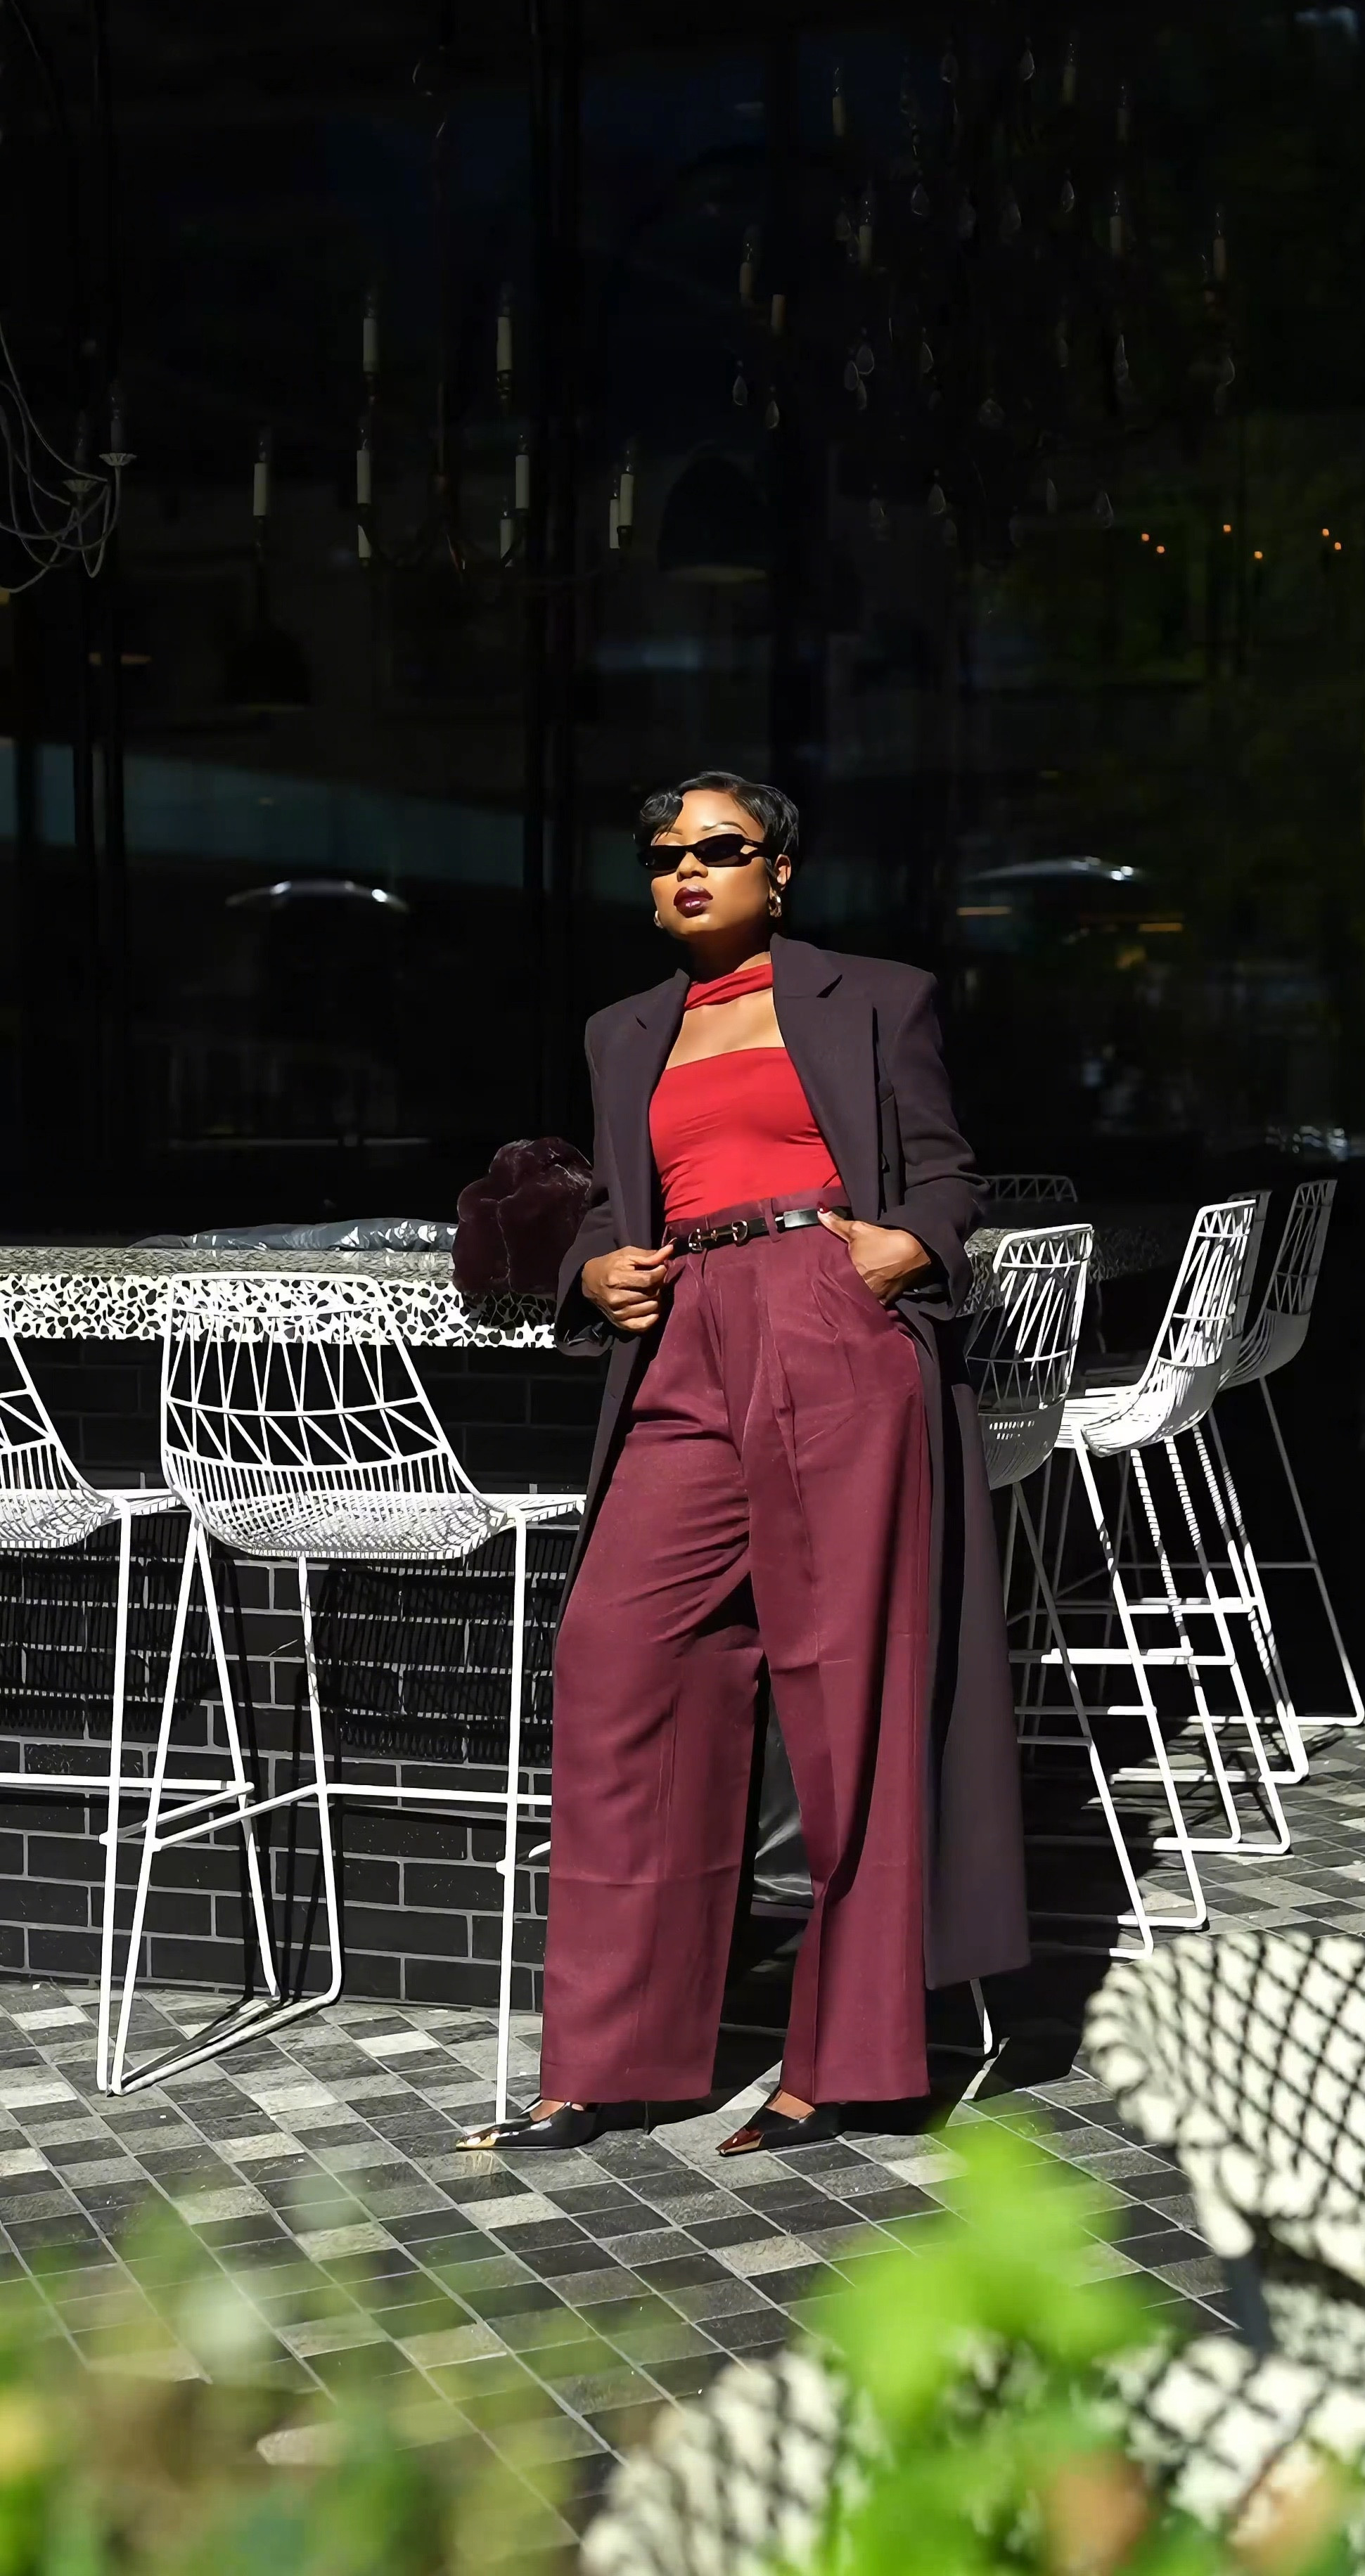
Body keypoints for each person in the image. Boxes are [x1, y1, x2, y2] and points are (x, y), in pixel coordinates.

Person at [458, 771, 1026, 2157]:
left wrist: (904, 1248)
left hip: (829, 1318)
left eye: (722, 848)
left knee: (848, 1691)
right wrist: (597, 1270)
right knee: (617, 1657)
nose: (690, 870)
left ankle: (847, 2062)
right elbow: (618, 1201)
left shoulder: (875, 998)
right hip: (684, 1344)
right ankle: (611, 2060)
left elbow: (949, 1176)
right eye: (666, 856)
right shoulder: (624, 1030)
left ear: (780, 870)